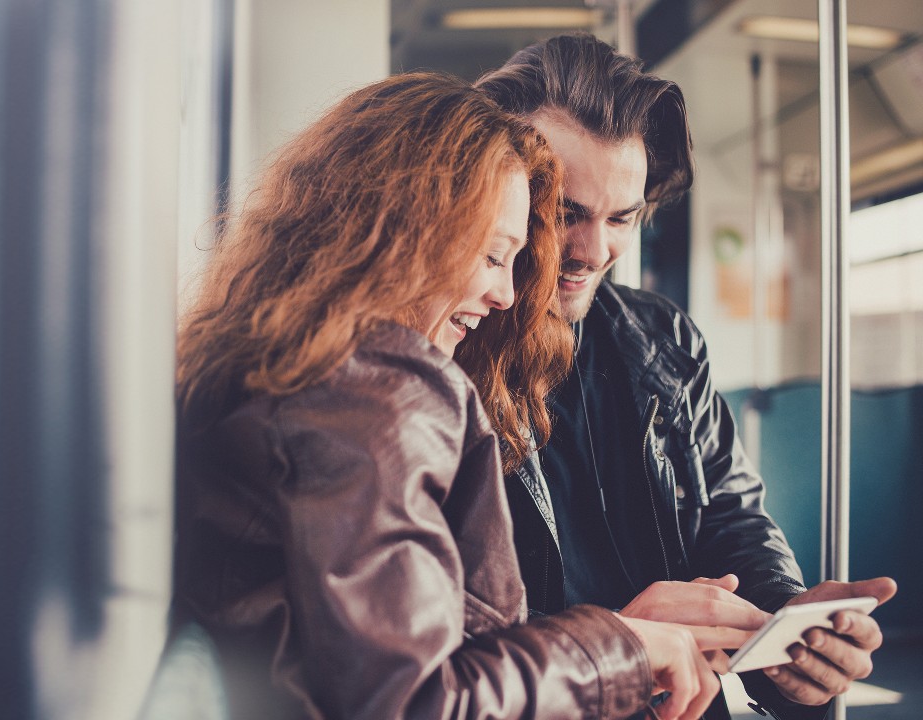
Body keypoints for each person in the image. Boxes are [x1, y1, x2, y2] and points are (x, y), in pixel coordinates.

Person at [173, 72, 748, 719]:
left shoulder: (288, 366)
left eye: (622, 218)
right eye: (496, 254)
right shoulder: (380, 401)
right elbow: (419, 699)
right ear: (406, 232)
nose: (508, 293)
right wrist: (619, 646)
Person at [470, 33, 897, 719]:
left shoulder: (665, 340)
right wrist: (615, 640)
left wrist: (787, 621)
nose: (592, 251)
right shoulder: (443, 350)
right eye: (564, 213)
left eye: (622, 218)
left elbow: (731, 517)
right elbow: (436, 645)